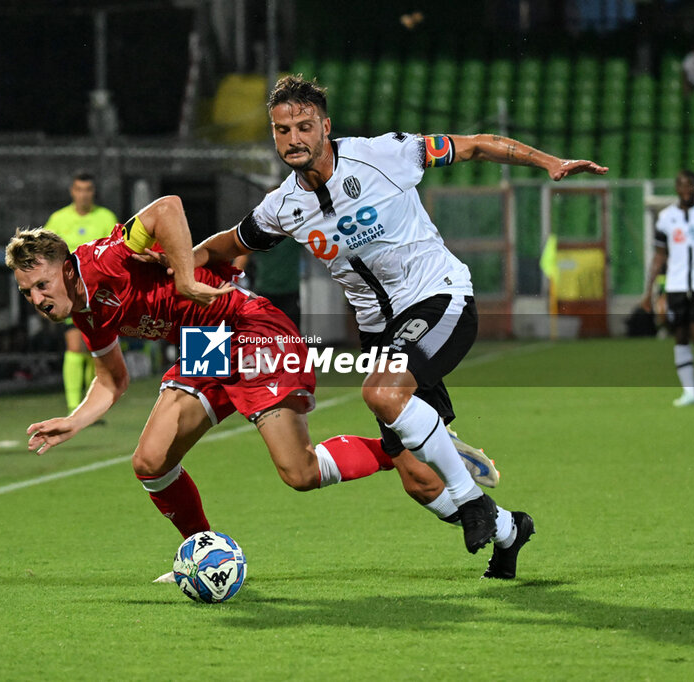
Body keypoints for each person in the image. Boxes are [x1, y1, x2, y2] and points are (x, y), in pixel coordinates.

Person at [186, 75, 608, 578]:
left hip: (438, 298)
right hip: (379, 332)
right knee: (417, 482)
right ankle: (510, 530)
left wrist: (549, 162)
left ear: (325, 126)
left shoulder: (385, 153)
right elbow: (227, 246)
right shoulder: (282, 207)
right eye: (281, 130)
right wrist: (176, 263)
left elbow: (473, 147)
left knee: (383, 393)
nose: (293, 139)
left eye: (303, 126)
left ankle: (471, 499)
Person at [5, 196, 498, 578]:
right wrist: (74, 420)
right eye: (27, 292)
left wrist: (183, 279)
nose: (38, 299)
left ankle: (408, 443)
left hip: (249, 325)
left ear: (66, 267)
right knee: (150, 462)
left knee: (299, 473)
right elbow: (113, 381)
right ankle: (206, 555)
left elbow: (166, 209)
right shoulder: (86, 311)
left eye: (43, 284)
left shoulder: (104, 261)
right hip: (206, 343)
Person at [642, 170, 694, 407]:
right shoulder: (667, 218)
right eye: (682, 185)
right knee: (679, 335)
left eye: (690, 185)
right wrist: (648, 291)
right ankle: (690, 393)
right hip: (676, 285)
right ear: (676, 188)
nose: (686, 190)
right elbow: (659, 256)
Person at [43, 170, 119, 414]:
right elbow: (44, 255)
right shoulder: (58, 220)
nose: (84, 194)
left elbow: (117, 253)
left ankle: (88, 404)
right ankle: (74, 405)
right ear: (72, 191)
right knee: (74, 345)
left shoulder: (106, 218)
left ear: (93, 192)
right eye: (79, 189)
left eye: (88, 190)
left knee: (92, 347)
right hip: (69, 292)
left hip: (100, 293)